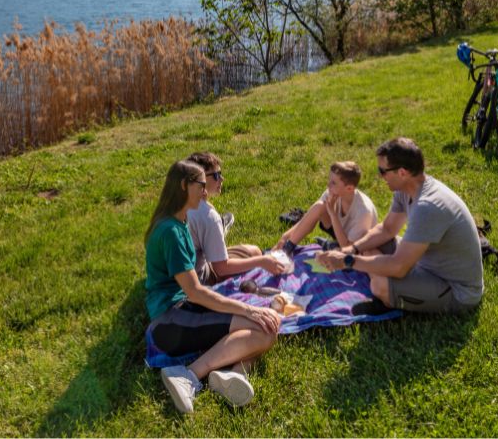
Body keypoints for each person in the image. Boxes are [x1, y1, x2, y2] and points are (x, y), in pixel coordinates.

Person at [144, 160, 282, 414]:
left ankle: (234, 374)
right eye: (201, 185)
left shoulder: (179, 221)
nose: (206, 192)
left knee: (267, 325)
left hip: (182, 310)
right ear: (184, 186)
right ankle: (188, 375)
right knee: (264, 329)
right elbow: (195, 290)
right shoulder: (171, 232)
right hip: (170, 320)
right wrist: (247, 310)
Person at [318, 138, 483, 315]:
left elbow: (398, 267)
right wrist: (351, 249)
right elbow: (387, 229)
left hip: (455, 290)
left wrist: (347, 261)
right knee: (367, 243)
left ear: (402, 173)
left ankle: (388, 297)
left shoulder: (427, 206)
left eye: (382, 171)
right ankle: (391, 288)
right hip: (424, 263)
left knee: (380, 285)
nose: (380, 176)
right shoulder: (406, 190)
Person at [185, 152, 289, 284]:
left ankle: (218, 233)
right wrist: (261, 262)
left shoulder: (178, 202)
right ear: (201, 179)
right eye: (216, 175)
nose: (222, 179)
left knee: (251, 252)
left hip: (175, 276)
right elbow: (221, 268)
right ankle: (220, 231)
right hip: (197, 280)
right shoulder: (208, 216)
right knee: (256, 253)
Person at [273, 161, 378, 252]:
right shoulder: (333, 192)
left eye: (333, 183)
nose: (328, 185)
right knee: (319, 207)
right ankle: (288, 248)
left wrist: (332, 214)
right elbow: (309, 217)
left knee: (344, 255)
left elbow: (348, 248)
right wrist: (285, 238)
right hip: (340, 233)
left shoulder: (363, 211)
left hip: (355, 247)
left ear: (349, 188)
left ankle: (333, 246)